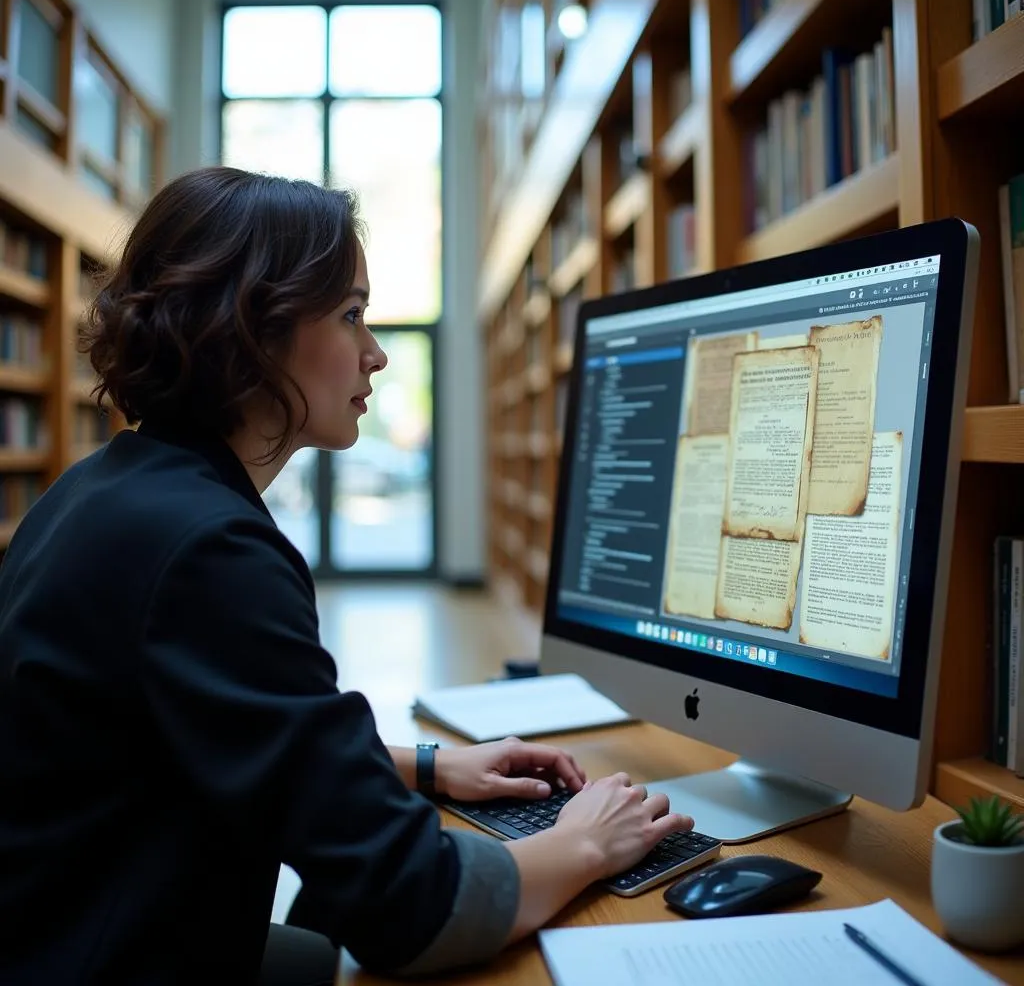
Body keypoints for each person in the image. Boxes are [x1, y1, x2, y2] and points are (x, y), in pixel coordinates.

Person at [0, 167, 691, 984]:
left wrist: (427, 767)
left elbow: (211, 732)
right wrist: (583, 841)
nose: (378, 354)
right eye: (352, 315)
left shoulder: (101, 491)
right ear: (254, 328)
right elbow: (407, 906)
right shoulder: (209, 553)